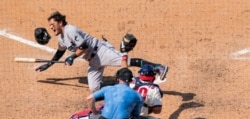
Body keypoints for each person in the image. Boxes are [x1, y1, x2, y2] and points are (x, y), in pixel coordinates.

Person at [35, 11, 168, 93]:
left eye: (52, 25)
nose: (51, 28)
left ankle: (158, 67)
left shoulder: (70, 30)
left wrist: (72, 57)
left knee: (126, 61)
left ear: (60, 22)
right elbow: (59, 53)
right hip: (93, 61)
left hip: (101, 51)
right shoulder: (61, 38)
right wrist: (47, 65)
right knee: (94, 88)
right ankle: (127, 85)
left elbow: (84, 46)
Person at [86, 67, 151, 119]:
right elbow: (135, 116)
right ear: (131, 80)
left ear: (117, 79)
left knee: (92, 118)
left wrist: (95, 112)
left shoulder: (107, 88)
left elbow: (89, 98)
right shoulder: (137, 96)